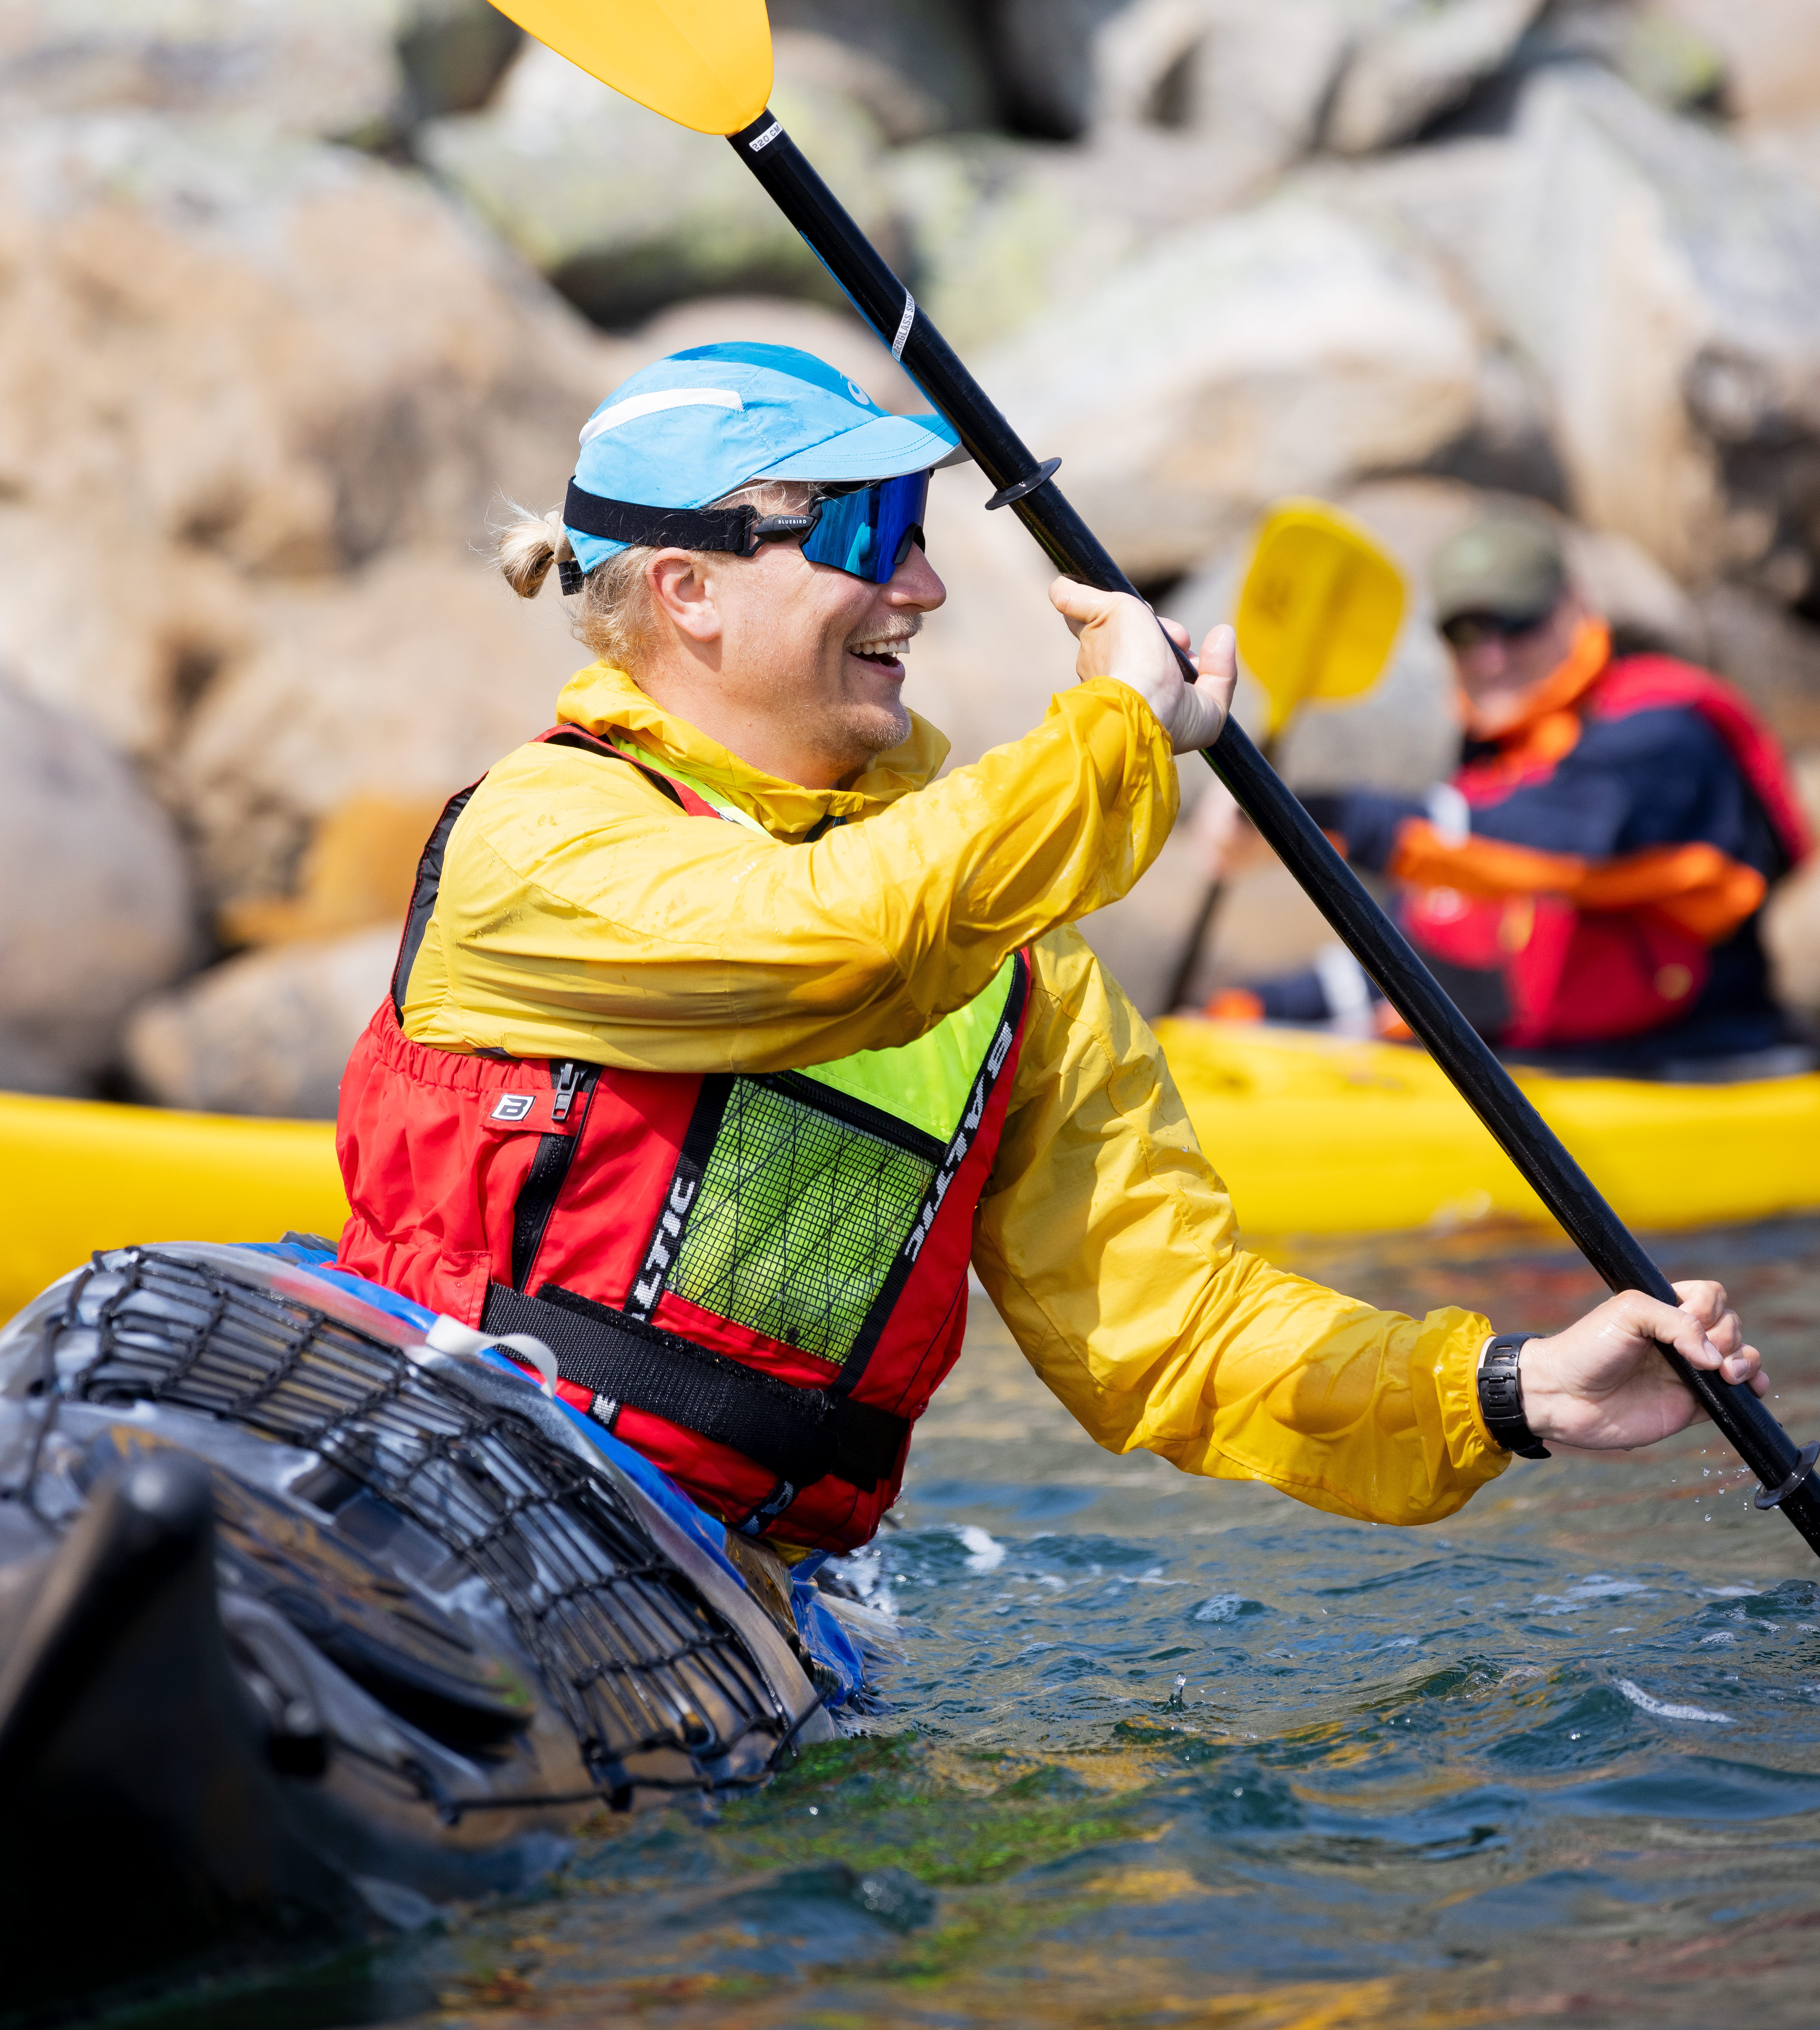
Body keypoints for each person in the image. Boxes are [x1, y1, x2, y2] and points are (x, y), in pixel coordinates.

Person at [334, 345, 1765, 1596]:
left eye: (922, 525)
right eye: (869, 526)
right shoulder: (541, 833)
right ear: (690, 589)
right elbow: (828, 941)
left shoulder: (1012, 965)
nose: (926, 580)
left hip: (724, 1584)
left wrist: (1507, 1388)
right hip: (433, 1476)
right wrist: (1117, 737)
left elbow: (1176, 1328)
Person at [1208, 511, 1813, 1076]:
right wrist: (1257, 1009)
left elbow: (1551, 838)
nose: (1491, 658)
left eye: (1517, 623)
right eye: (1466, 633)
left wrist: (1304, 817)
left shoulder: (1667, 737)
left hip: (1699, 1066)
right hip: (1539, 1072)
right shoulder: (1492, 771)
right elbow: (1421, 963)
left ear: (1577, 607)